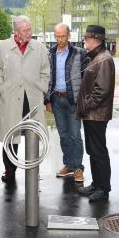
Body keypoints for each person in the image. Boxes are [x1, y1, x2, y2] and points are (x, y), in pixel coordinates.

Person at [0, 15, 50, 183]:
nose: (30, 32)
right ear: (16, 32)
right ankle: (9, 170)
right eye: (25, 30)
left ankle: (33, 169)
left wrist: (42, 86)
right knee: (11, 136)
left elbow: (45, 71)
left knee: (34, 134)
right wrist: (1, 91)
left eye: (30, 29)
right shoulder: (2, 47)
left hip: (32, 96)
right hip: (11, 97)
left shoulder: (39, 47)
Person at [76, 25, 115, 202]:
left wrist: (86, 106)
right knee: (93, 150)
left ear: (95, 40)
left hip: (96, 114)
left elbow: (102, 89)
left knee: (98, 150)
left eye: (86, 38)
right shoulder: (96, 57)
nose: (85, 41)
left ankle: (103, 188)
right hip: (91, 113)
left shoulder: (104, 59)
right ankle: (96, 183)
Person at [45, 23, 86, 183]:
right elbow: (47, 78)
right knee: (63, 135)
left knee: (75, 135)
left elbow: (86, 79)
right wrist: (47, 100)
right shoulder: (50, 53)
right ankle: (69, 164)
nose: (60, 39)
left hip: (73, 101)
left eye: (63, 36)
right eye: (57, 36)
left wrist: (83, 99)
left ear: (69, 36)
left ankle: (78, 168)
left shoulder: (79, 53)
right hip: (57, 100)